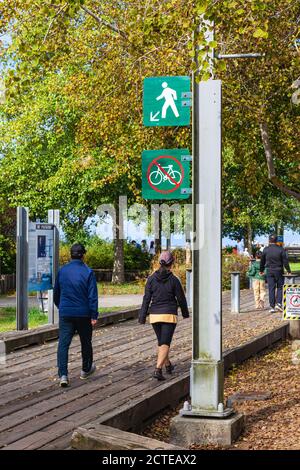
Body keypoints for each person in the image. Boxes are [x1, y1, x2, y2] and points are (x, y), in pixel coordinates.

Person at [138, 251, 189, 381]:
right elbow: (181, 299)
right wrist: (185, 313)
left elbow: (146, 299)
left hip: (154, 316)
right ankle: (158, 369)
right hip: (169, 315)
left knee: (161, 342)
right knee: (165, 342)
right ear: (171, 263)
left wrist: (142, 316)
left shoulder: (151, 278)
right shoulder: (174, 279)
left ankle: (168, 365)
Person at [54, 243, 98, 387]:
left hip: (66, 313)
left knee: (63, 344)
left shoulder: (62, 271)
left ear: (70, 254)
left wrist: (62, 307)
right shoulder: (88, 272)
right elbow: (92, 296)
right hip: (83, 313)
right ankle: (86, 370)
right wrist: (94, 315)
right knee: (86, 342)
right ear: (83, 255)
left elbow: (56, 293)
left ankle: (63, 375)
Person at [260, 234, 291, 313]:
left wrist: (261, 270)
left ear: (269, 240)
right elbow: (285, 261)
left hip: (269, 270)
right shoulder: (281, 249)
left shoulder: (265, 250)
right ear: (277, 240)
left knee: (271, 288)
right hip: (279, 270)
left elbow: (262, 261)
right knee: (280, 287)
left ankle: (272, 306)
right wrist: (288, 270)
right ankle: (279, 303)